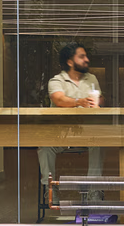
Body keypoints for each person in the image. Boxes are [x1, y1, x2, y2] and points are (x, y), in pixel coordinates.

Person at [38, 43, 105, 202]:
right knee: (44, 146)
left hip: (87, 132)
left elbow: (100, 99)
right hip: (61, 133)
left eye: (86, 56)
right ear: (70, 61)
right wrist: (79, 101)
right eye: (82, 57)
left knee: (101, 141)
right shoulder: (56, 80)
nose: (86, 60)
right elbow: (58, 99)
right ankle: (50, 189)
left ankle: (93, 189)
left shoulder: (92, 79)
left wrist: (98, 101)